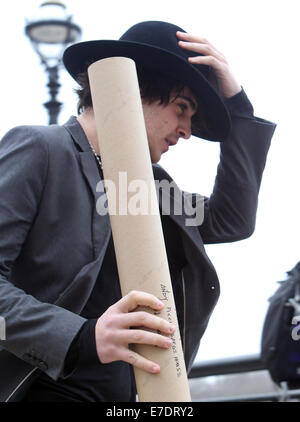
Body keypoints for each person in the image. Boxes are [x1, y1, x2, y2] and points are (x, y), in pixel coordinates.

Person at [0, 21, 276, 402]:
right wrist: (80, 336)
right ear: (134, 89)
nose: (187, 131)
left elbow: (232, 219)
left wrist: (238, 107)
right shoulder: (41, 149)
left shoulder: (152, 188)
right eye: (182, 108)